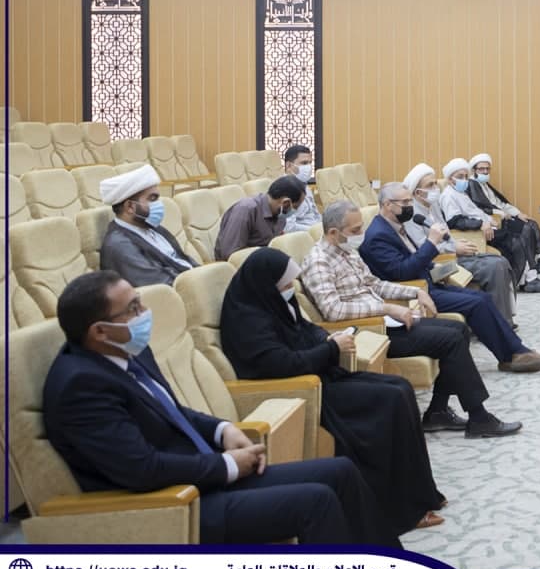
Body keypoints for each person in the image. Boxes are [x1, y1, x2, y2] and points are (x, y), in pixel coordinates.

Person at [44, 271, 398, 546]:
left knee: (340, 471)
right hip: (174, 504)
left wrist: (222, 430)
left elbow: (172, 411)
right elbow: (142, 469)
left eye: (140, 303)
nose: (144, 314)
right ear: (100, 331)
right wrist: (227, 466)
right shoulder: (81, 386)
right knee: (316, 501)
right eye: (133, 309)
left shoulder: (126, 351)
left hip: (203, 476)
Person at [219, 249, 447, 535]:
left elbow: (305, 329)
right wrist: (330, 349)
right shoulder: (247, 319)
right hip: (300, 390)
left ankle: (421, 495)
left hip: (318, 374)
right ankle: (402, 511)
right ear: (268, 283)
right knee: (389, 401)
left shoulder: (273, 300)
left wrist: (329, 338)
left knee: (400, 387)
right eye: (285, 284)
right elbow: (280, 364)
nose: (290, 289)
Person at [301, 200, 523, 437]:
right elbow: (333, 311)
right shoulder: (318, 261)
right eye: (355, 230)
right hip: (367, 333)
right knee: (450, 340)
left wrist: (415, 292)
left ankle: (438, 411)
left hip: (383, 322)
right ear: (333, 233)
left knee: (458, 329)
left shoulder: (347, 251)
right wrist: (387, 308)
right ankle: (479, 418)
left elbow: (375, 284)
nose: (361, 234)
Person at [360, 183, 540, 373]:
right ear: (387, 204)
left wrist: (438, 270)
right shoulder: (378, 235)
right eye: (404, 202)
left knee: (482, 298)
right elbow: (401, 272)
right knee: (477, 304)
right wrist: (431, 243)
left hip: (428, 282)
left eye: (410, 201)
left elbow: (411, 259)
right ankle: (512, 355)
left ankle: (516, 351)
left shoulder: (395, 226)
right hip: (412, 292)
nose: (409, 206)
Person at [404, 163, 517, 326]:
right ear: (417, 192)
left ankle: (503, 318)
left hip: (452, 252)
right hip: (439, 262)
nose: (436, 188)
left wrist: (456, 243)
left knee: (501, 260)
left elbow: (446, 231)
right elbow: (422, 248)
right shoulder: (412, 215)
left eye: (435, 183)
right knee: (495, 266)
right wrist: (454, 248)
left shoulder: (432, 205)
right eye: (430, 185)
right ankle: (499, 323)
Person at [438, 158, 540, 293]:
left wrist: (488, 220)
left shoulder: (460, 193)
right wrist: (481, 224)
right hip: (475, 233)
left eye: (465, 176)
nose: (464, 180)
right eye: (460, 177)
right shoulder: (448, 196)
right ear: (450, 179)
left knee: (520, 234)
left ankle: (527, 278)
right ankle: (528, 280)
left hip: (486, 228)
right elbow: (455, 221)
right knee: (515, 241)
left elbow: (475, 211)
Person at [98, 164, 198, 287]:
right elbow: (160, 284)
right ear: (130, 207)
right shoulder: (119, 244)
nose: (159, 204)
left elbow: (183, 261)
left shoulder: (154, 229)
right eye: (152, 198)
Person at [468, 153, 540, 274]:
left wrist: (518, 214)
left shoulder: (484, 184)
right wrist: (502, 214)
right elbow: (482, 208)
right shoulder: (472, 184)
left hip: (503, 215)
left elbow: (501, 203)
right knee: (526, 228)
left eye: (487, 168)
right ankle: (532, 265)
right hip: (496, 220)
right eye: (481, 169)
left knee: (531, 223)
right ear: (474, 170)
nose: (485, 171)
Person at [214, 176, 305, 260]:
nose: (294, 211)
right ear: (286, 203)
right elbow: (230, 254)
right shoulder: (245, 209)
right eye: (295, 207)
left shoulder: (281, 214)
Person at [282, 145, 321, 234]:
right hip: (303, 236)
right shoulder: (284, 189)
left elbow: (315, 215)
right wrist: (315, 231)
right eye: (304, 163)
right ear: (288, 165)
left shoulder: (304, 185)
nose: (308, 167)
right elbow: (288, 227)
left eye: (310, 163)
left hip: (318, 232)